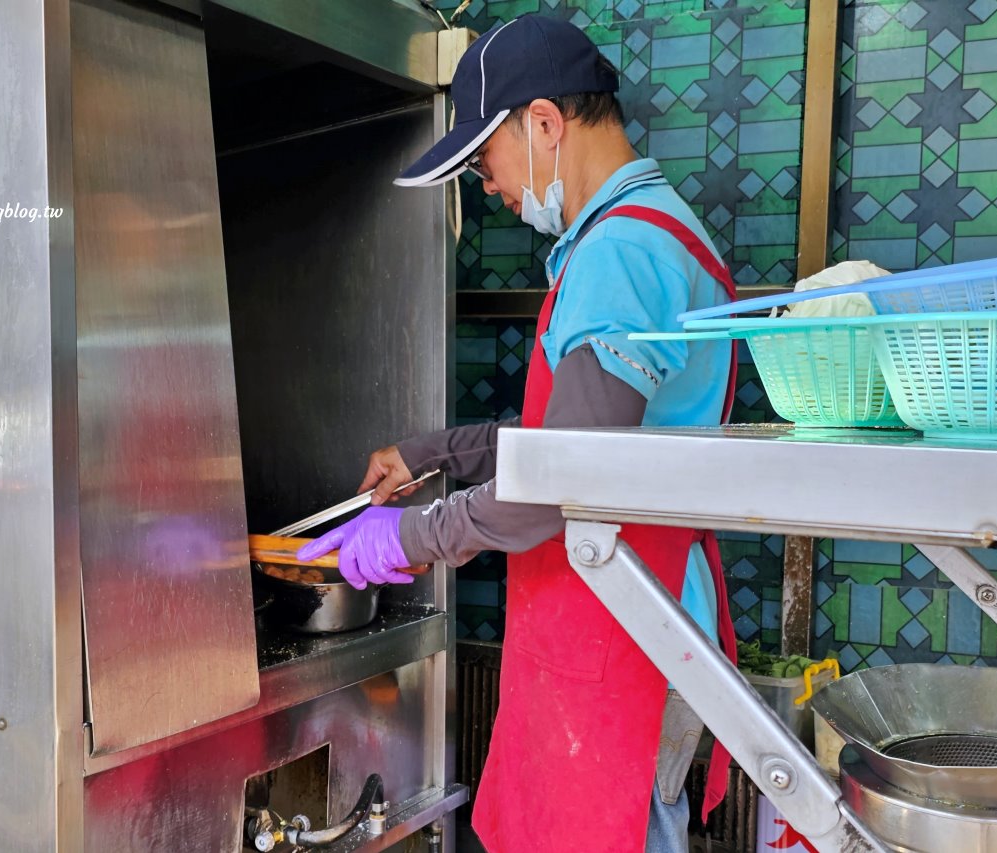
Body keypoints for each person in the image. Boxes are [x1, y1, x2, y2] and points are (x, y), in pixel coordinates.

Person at [298, 14, 739, 852]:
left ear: (543, 123)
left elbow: (563, 481)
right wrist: (428, 455)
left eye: (484, 160)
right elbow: (568, 439)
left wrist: (411, 535)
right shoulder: (653, 231)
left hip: (626, 629)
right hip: (627, 613)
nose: (489, 188)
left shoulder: (620, 252)